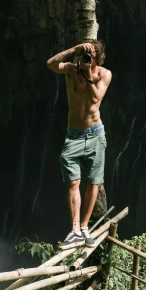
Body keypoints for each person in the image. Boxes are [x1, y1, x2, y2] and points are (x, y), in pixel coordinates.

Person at [46, 40, 112, 249]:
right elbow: (51, 64)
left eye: (90, 57)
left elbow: (95, 99)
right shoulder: (70, 70)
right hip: (73, 136)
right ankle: (74, 230)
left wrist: (87, 74)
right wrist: (74, 50)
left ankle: (84, 227)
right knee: (73, 182)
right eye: (84, 56)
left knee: (93, 182)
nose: (85, 60)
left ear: (98, 59)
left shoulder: (104, 74)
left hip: (95, 134)